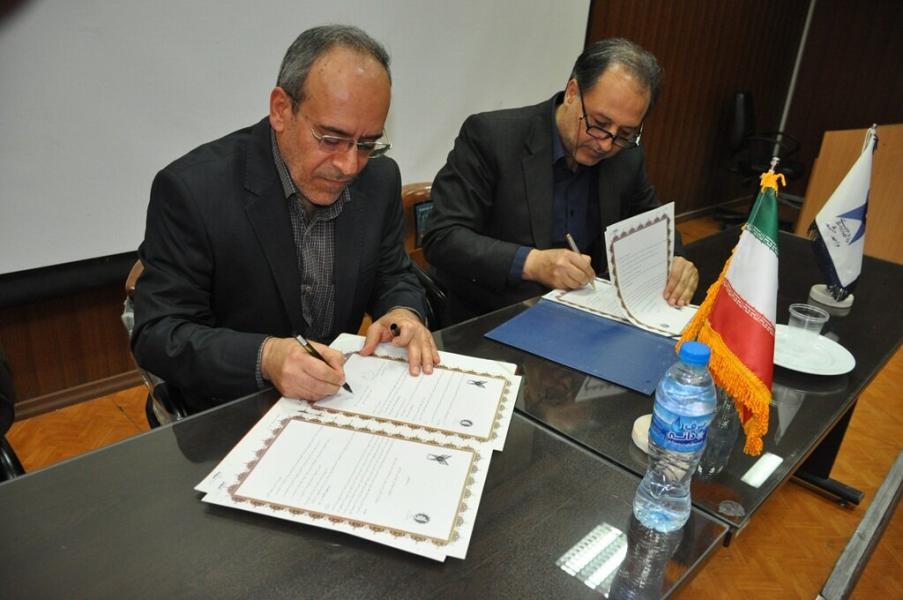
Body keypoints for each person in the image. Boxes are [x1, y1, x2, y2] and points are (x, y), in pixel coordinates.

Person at [132, 25, 438, 415]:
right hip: (231, 408)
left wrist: (402, 313)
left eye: (366, 144)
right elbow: (159, 333)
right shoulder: (193, 190)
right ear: (281, 110)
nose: (349, 165)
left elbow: (393, 274)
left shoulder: (379, 179)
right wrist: (267, 357)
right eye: (330, 139)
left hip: (334, 401)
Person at [422, 38, 699, 324]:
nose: (606, 144)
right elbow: (443, 237)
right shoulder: (492, 137)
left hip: (583, 314)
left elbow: (652, 222)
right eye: (599, 124)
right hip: (492, 314)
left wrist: (675, 260)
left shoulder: (625, 155)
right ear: (572, 93)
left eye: (625, 133)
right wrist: (532, 263)